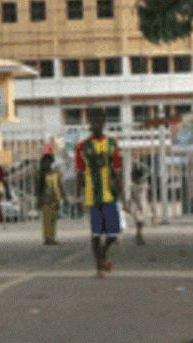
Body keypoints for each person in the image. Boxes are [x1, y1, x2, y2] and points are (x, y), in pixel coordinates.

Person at [74, 109, 122, 277]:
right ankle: (99, 267)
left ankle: (102, 256)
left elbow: (117, 171)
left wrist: (122, 195)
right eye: (93, 121)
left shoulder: (112, 143)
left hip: (110, 195)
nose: (96, 124)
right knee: (96, 233)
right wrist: (78, 197)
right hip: (92, 196)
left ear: (104, 122)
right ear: (89, 122)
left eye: (100, 121)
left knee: (113, 233)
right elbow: (79, 173)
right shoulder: (82, 146)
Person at [36, 152, 68, 245]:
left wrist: (64, 197)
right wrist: (38, 199)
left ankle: (52, 238)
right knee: (46, 220)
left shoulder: (56, 173)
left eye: (49, 162)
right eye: (46, 162)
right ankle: (47, 238)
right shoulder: (40, 174)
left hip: (55, 199)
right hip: (45, 200)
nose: (48, 164)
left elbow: (60, 185)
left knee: (53, 219)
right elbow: (38, 188)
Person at [124, 165, 153, 246]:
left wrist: (150, 205)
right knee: (138, 221)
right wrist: (129, 205)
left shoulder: (144, 184)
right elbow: (132, 196)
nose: (132, 177)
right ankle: (139, 236)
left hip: (143, 204)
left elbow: (148, 195)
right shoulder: (133, 186)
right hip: (136, 205)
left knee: (141, 221)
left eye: (133, 176)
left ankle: (138, 235)